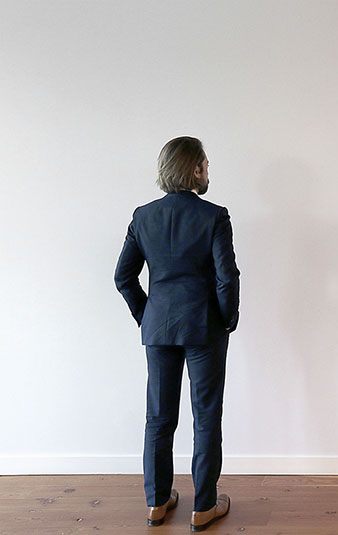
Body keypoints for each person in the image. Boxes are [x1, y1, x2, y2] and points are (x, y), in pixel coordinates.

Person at [114, 136, 240, 531]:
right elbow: (226, 277)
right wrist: (228, 319)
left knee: (158, 417)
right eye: (206, 163)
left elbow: (123, 276)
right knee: (205, 417)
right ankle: (203, 506)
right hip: (204, 328)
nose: (208, 170)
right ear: (196, 168)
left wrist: (146, 315)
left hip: (159, 327)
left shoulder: (143, 215)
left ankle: (157, 502)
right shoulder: (214, 215)